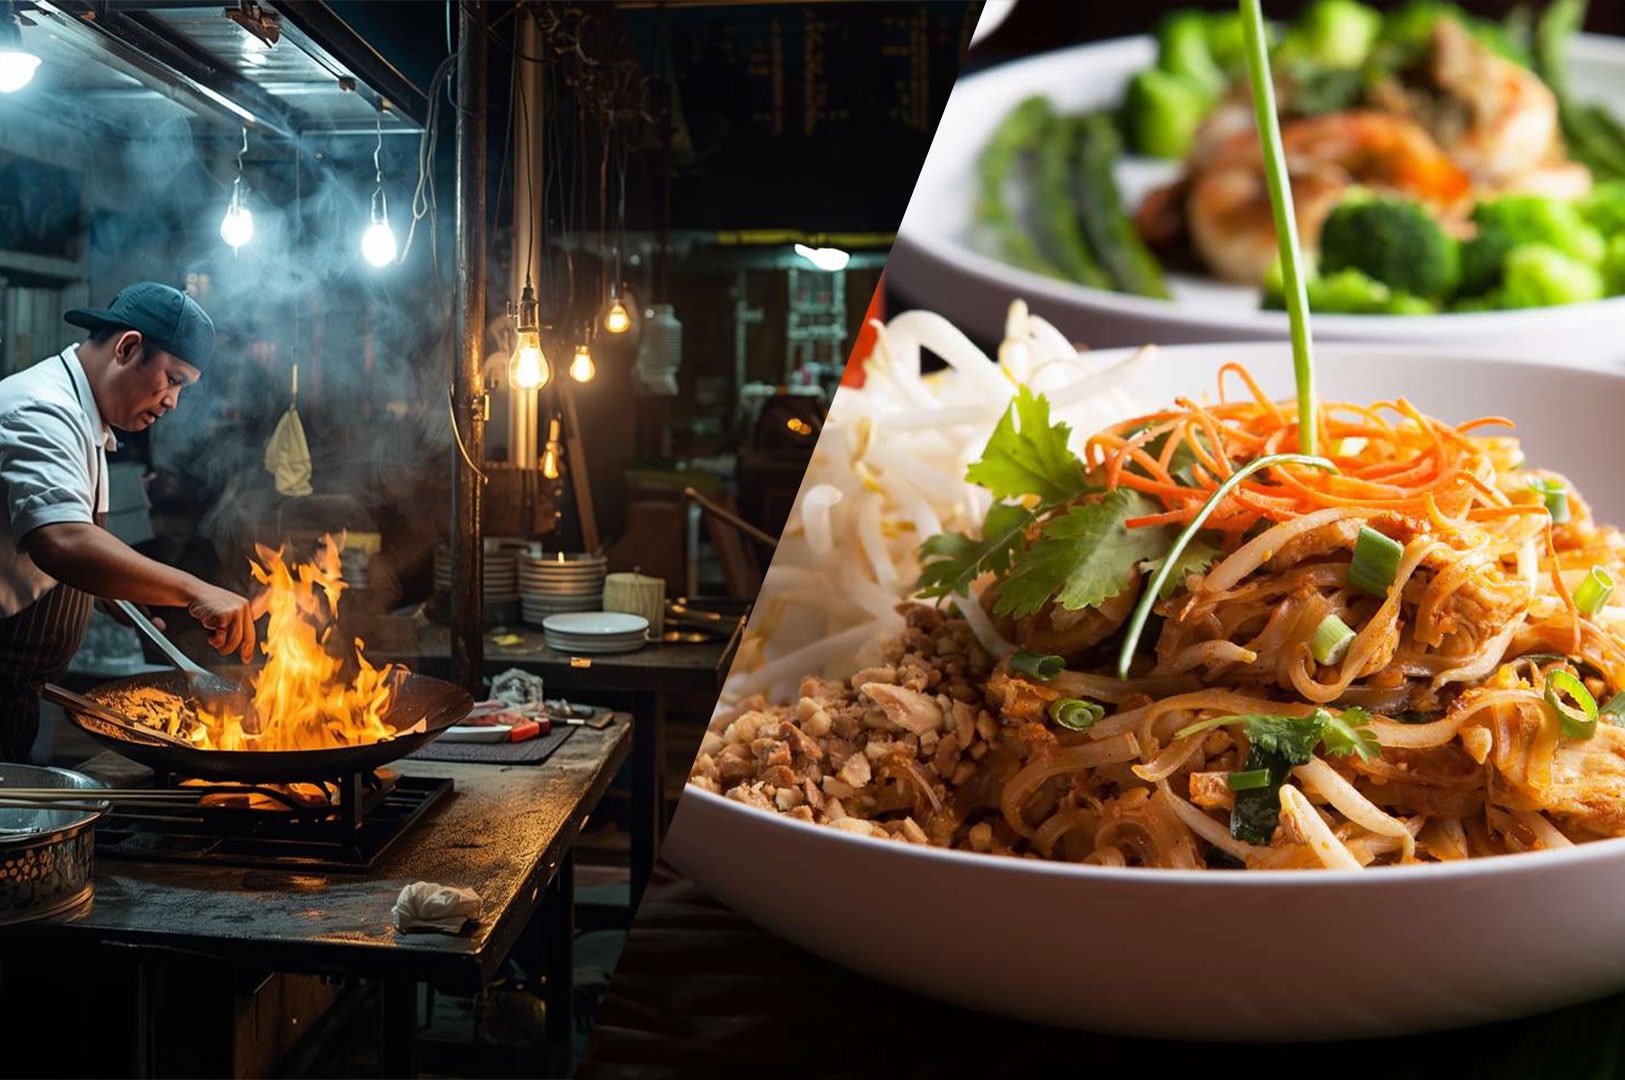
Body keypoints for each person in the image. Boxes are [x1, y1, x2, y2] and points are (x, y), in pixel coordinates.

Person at [0, 282, 258, 761]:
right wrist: (196, 590)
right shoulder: (42, 410)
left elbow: (38, 549)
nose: (173, 401)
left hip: (15, 692)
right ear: (128, 347)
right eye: (173, 379)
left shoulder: (84, 418)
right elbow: (61, 541)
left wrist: (109, 592)